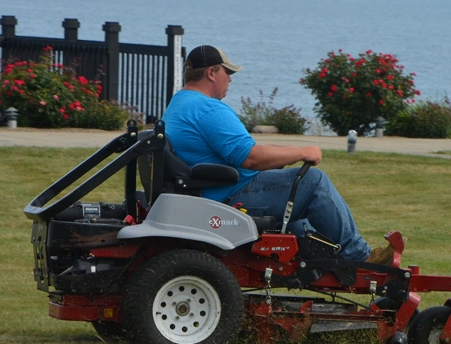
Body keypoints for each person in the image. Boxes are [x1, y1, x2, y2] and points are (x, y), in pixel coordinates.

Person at [162, 45, 395, 264]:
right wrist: (303, 152)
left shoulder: (179, 104)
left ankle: (325, 261)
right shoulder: (208, 108)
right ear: (212, 73)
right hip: (227, 196)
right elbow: (250, 158)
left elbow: (244, 149)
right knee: (314, 183)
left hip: (207, 191)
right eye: (227, 72)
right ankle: (359, 257)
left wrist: (287, 153)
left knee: (299, 213)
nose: (230, 79)